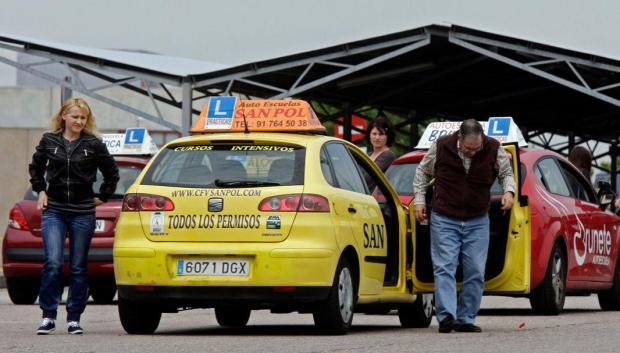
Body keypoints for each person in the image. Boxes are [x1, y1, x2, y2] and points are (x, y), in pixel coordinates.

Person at [413, 119, 515, 333]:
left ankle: (466, 318)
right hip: (444, 216)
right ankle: (447, 317)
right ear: (459, 139)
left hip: (477, 219)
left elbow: (506, 174)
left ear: (482, 140)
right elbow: (422, 172)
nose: (473, 152)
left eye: (477, 148)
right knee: (444, 267)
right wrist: (420, 200)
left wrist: (509, 192)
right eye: (469, 149)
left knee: (476, 270)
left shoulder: (494, 149)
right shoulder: (441, 146)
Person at [29, 98, 119, 335]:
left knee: (78, 267)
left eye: (83, 118)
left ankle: (74, 318)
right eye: (75, 117)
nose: (79, 121)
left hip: (83, 211)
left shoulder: (94, 144)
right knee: (53, 263)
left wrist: (103, 196)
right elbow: (36, 168)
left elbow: (112, 172)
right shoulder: (49, 140)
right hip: (55, 210)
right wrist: (40, 191)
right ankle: (48, 315)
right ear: (64, 117)